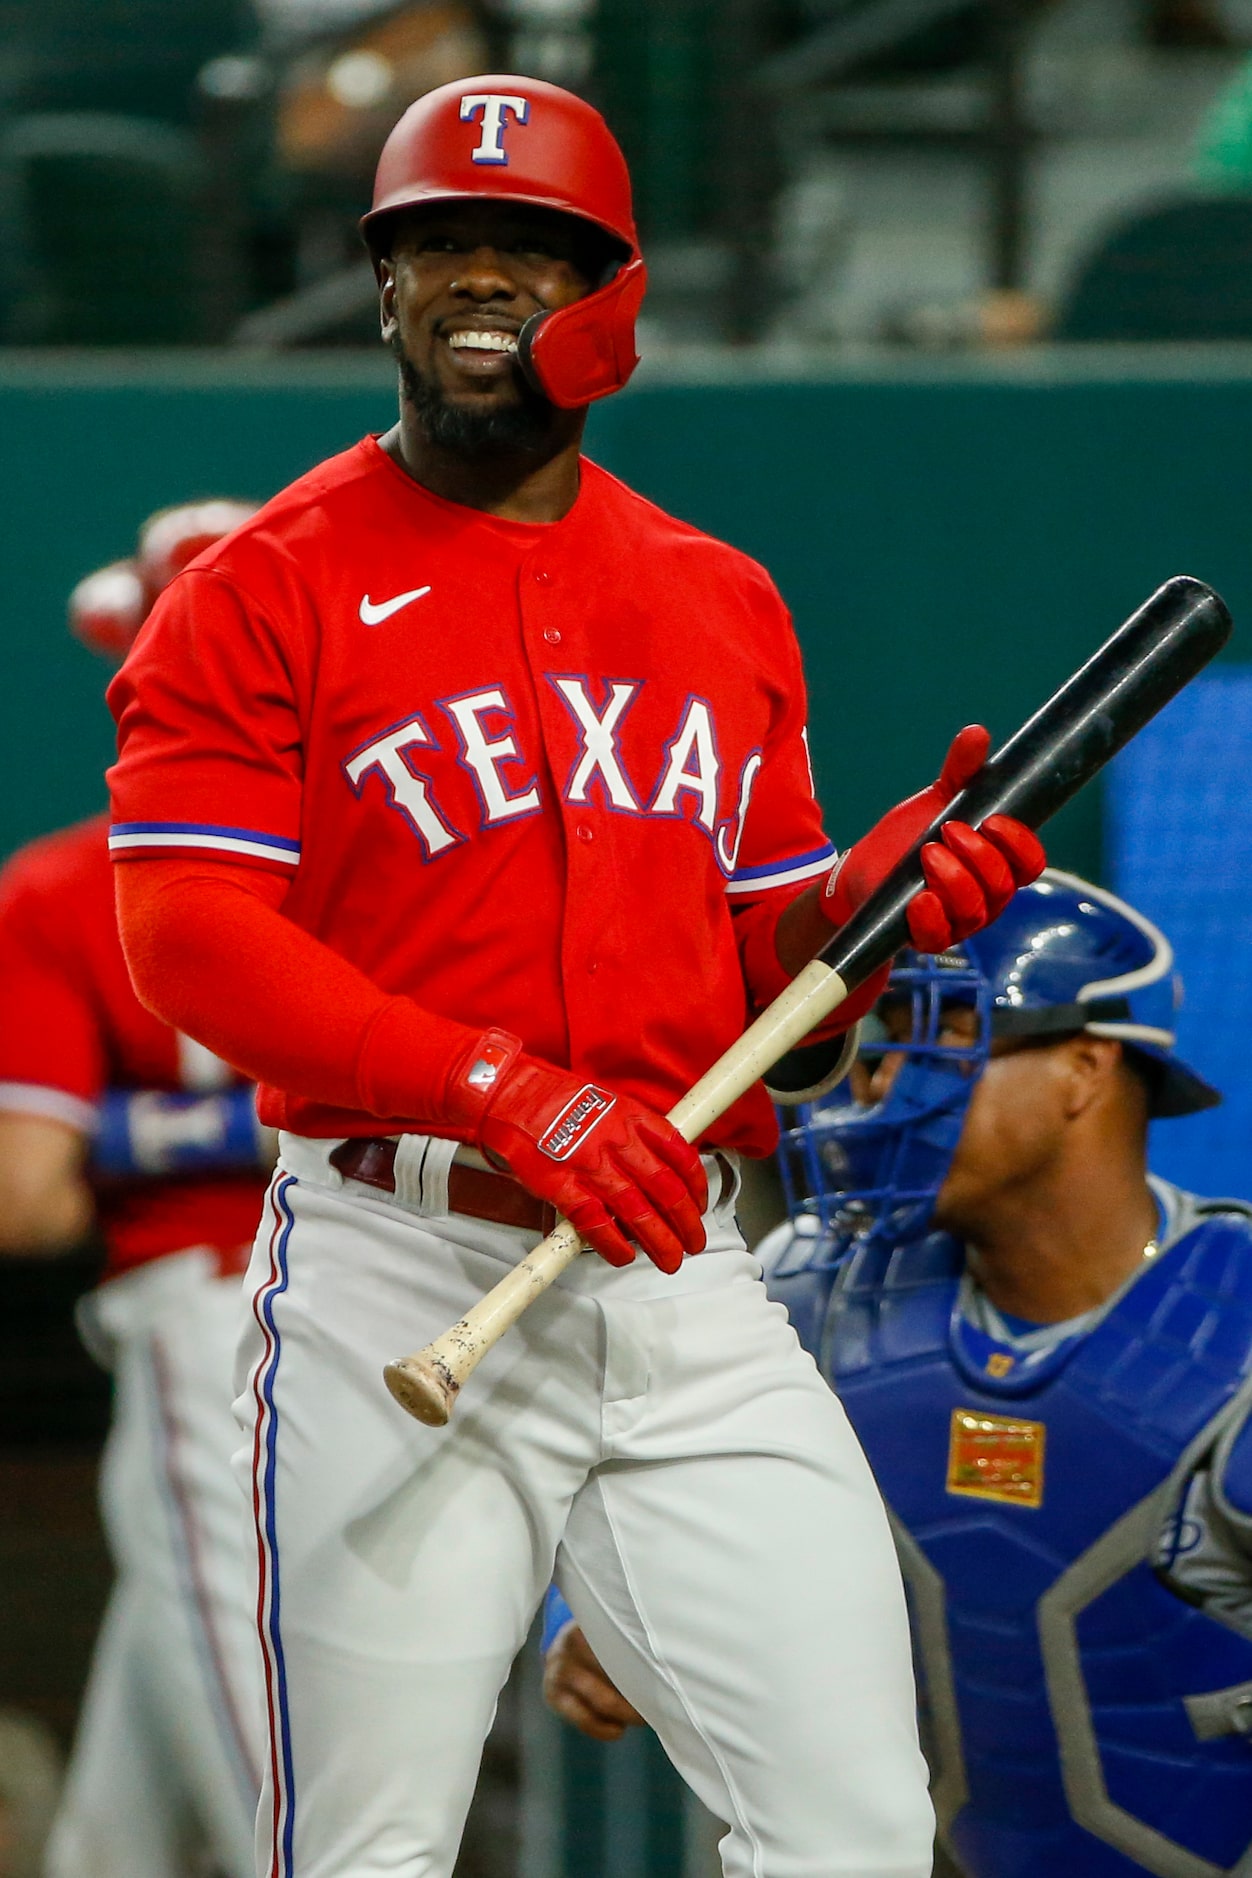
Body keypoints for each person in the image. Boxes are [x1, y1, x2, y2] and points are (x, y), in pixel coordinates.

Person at [104, 73, 1045, 1878]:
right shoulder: (256, 588)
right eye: (435, 244)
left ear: (613, 295)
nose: (477, 280)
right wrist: (492, 1085)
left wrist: (871, 907)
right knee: (368, 1848)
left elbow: (767, 968)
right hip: (402, 1267)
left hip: (678, 1274)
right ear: (380, 289)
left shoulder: (714, 594)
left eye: (527, 251)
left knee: (846, 1823)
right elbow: (191, 938)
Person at [546, 869, 1252, 1878]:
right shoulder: (813, 1283)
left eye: (949, 1033)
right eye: (880, 1048)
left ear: (1084, 1070)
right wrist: (589, 1620)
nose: (879, 1084)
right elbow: (628, 1471)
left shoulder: (1231, 1335)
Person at [0, 500, 273, 1878]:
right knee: (128, 1822)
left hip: (213, 1324)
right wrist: (273, 1119)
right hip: (415, 1297)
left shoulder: (58, 886)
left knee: (273, 1767)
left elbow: (23, 1199)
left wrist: (157, 1133)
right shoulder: (402, 854)